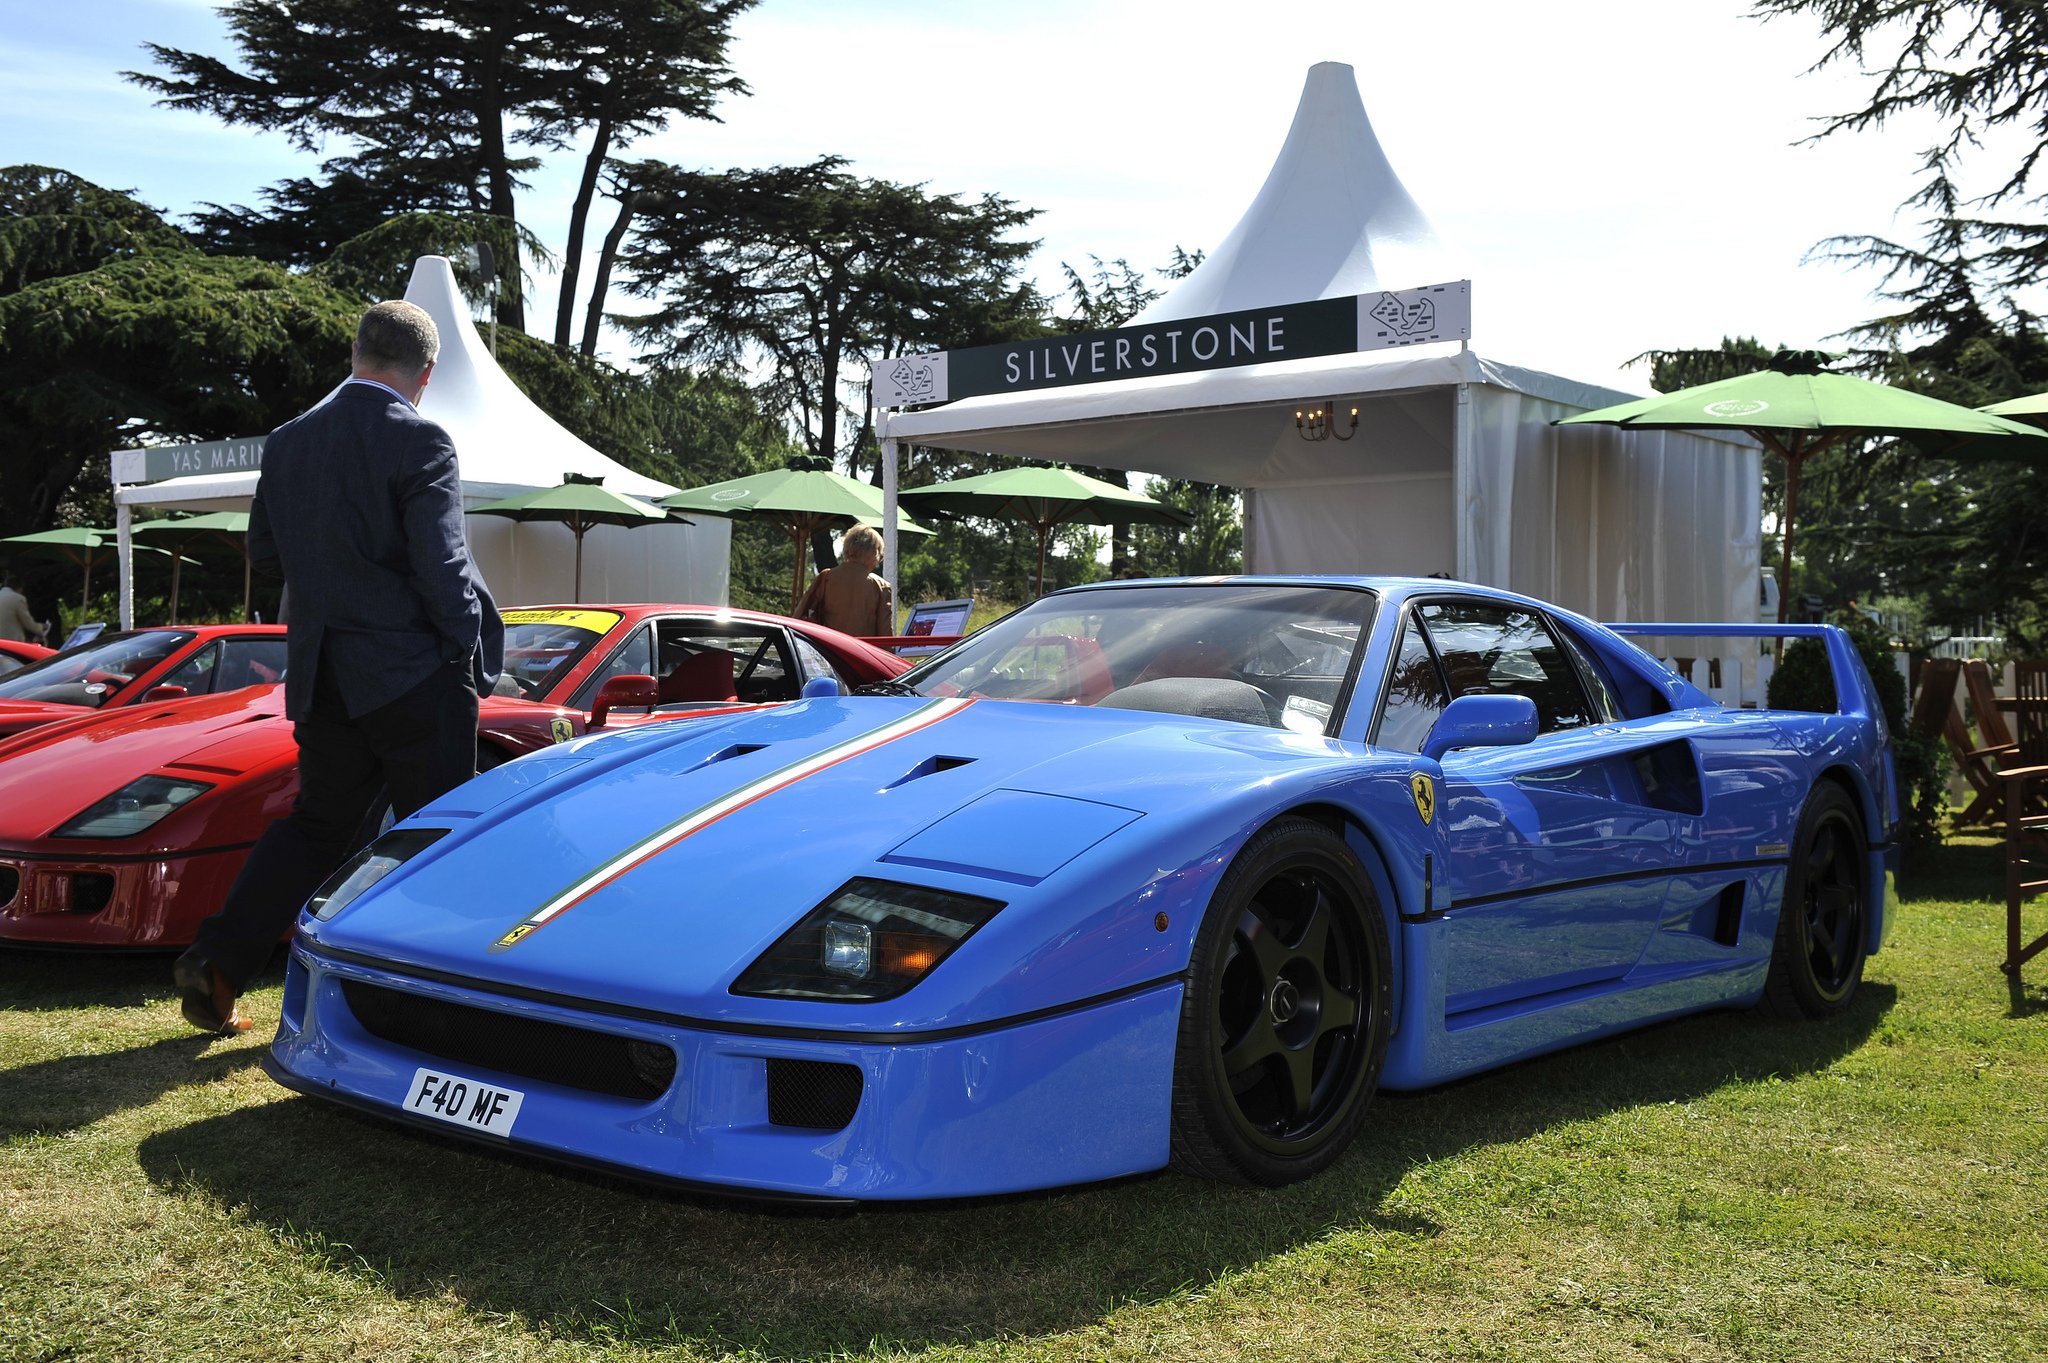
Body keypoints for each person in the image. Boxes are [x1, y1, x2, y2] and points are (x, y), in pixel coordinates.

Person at [174, 299, 503, 1035]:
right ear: (426, 374)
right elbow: (443, 568)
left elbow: (264, 556)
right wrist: (466, 652)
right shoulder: (423, 441)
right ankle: (429, 1003)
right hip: (414, 672)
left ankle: (220, 963)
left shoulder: (289, 441)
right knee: (439, 834)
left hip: (323, 674)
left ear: (355, 355)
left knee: (315, 825)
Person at [794, 522, 894, 637]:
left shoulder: (826, 578)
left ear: (847, 549)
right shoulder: (881, 586)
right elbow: (885, 635)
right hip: (863, 651)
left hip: (830, 648)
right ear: (874, 553)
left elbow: (799, 614)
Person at [0, 571, 48, 644]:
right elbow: (28, 623)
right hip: (11, 642)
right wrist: (42, 627)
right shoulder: (17, 598)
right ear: (20, 588)